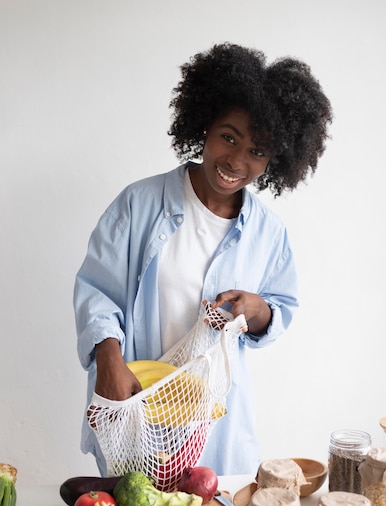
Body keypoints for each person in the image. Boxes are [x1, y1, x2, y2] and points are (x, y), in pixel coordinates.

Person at [74, 42, 333, 477]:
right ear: (205, 128)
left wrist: (260, 311)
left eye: (257, 150)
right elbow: (97, 292)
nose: (236, 160)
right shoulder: (138, 205)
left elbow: (280, 310)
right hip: (137, 413)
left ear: (274, 159)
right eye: (228, 137)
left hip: (215, 432)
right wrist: (108, 360)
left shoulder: (269, 234)